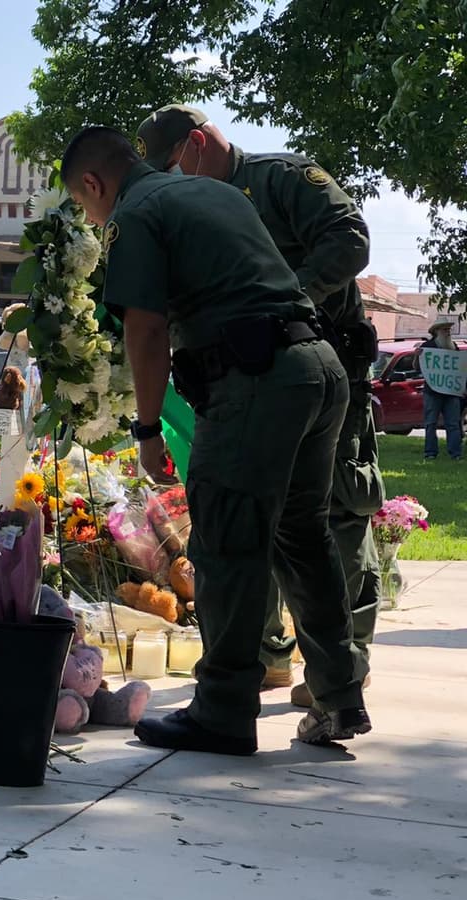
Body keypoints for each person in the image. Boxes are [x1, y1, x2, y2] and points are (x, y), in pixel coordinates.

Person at [59, 126, 369, 754]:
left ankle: (223, 711)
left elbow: (144, 332)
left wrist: (148, 432)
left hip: (254, 381)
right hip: (318, 368)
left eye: (84, 203)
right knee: (303, 539)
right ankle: (339, 699)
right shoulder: (216, 193)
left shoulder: (136, 213)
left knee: (228, 540)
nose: (91, 216)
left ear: (94, 184)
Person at [137, 105, 384, 707]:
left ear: (196, 144)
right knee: (259, 516)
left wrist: (288, 301)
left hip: (324, 365)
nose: (172, 181)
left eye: (172, 166)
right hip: (253, 383)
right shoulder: (197, 211)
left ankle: (344, 660)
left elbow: (350, 239)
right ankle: (271, 652)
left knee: (332, 514)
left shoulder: (280, 179)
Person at [416, 319, 463, 460]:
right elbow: (418, 368)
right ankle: (430, 453)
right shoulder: (427, 346)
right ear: (436, 331)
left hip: (451, 393)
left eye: (449, 330)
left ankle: (456, 454)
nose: (448, 332)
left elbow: (459, 370)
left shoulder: (453, 346)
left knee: (453, 424)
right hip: (432, 392)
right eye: (445, 329)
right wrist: (416, 356)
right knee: (430, 423)